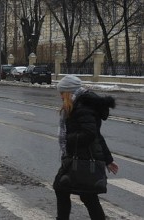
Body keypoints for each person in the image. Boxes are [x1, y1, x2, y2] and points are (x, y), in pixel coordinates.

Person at [53, 75, 119, 220]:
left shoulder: (82, 106)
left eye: (62, 93)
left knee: (64, 188)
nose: (60, 97)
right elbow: (97, 135)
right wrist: (108, 159)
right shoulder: (80, 104)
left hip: (82, 158)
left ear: (69, 92)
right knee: (83, 194)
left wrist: (69, 140)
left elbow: (90, 133)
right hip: (80, 157)